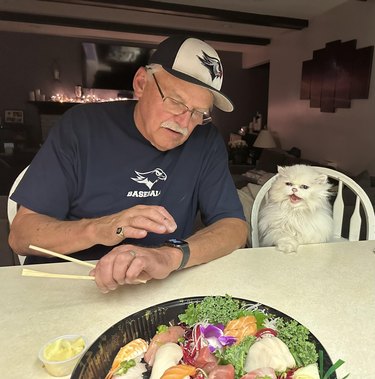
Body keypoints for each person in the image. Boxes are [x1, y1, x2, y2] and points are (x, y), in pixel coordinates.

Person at [9, 35, 248, 292]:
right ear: (141, 83)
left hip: (158, 285)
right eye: (176, 101)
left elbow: (234, 227)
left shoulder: (205, 139)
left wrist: (170, 256)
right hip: (70, 284)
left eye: (199, 113)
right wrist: (100, 228)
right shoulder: (81, 127)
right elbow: (21, 236)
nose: (184, 122)